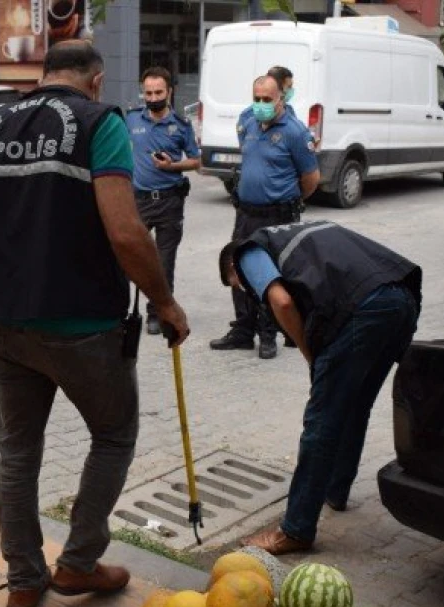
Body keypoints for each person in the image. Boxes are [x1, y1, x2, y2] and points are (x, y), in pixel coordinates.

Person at [0, 41, 190, 607]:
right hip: (84, 325)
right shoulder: (101, 123)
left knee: (18, 453)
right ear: (95, 81)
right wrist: (165, 304)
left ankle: (23, 579)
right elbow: (127, 234)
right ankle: (77, 563)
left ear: (44, 75)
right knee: (114, 434)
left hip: (0, 321)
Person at [219, 220, 422, 554]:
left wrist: (308, 352)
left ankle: (296, 529)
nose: (247, 291)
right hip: (400, 298)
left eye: (239, 286)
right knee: (356, 404)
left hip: (362, 310)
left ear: (233, 267)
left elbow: (282, 302)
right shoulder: (294, 234)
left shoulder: (247, 252)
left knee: (321, 423)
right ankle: (334, 490)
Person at [209, 75, 319, 359]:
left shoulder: (295, 131)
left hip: (277, 214)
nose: (260, 104)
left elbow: (311, 178)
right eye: (256, 98)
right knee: (238, 267)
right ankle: (243, 330)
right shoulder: (247, 121)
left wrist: (288, 201)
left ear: (280, 98)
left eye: (267, 99)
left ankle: (268, 333)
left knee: (270, 274)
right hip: (246, 211)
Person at [125, 66, 201, 335]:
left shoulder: (181, 126)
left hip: (170, 202)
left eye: (158, 92)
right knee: (128, 256)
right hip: (138, 201)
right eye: (148, 92)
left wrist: (173, 166)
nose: (153, 97)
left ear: (169, 92)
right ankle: (118, 309)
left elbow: (196, 161)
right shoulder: (131, 119)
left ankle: (157, 313)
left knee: (163, 263)